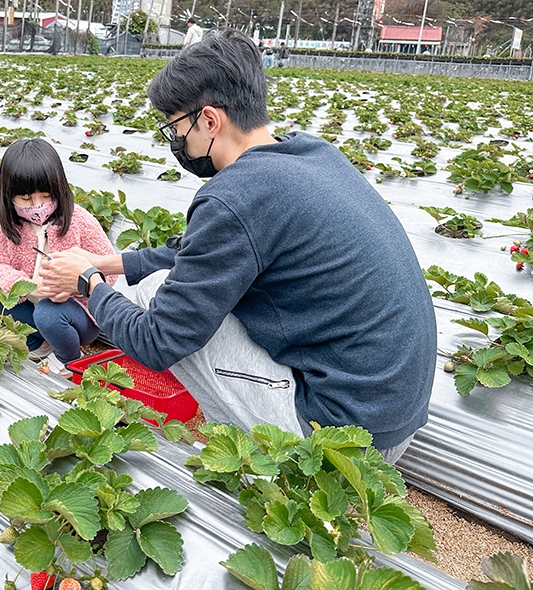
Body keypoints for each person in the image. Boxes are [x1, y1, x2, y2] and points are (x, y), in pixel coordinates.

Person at [41, 29, 436, 463]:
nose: (177, 144)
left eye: (176, 128)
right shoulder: (312, 154)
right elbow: (197, 254)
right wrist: (106, 261)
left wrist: (91, 284)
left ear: (209, 121)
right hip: (392, 415)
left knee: (165, 306)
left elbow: (158, 341)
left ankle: (255, 461)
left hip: (341, 442)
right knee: (178, 288)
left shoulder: (236, 196)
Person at [0, 138, 118, 376]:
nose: (37, 205)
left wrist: (75, 286)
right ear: (8, 196)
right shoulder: (6, 227)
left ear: (58, 188)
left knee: (49, 314)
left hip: (75, 314)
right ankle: (38, 345)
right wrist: (27, 287)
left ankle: (71, 362)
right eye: (26, 199)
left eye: (45, 195)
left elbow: (108, 268)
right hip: (29, 308)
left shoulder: (79, 221)